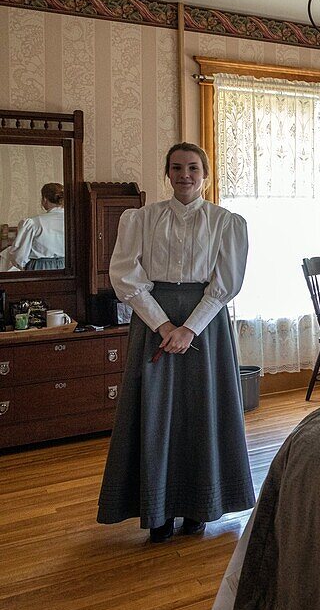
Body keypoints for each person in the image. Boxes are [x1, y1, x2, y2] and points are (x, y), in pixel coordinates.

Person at [97, 142, 253, 543]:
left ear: (205, 174)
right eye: (177, 167)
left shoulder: (225, 222)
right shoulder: (141, 219)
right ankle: (157, 511)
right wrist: (164, 325)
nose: (185, 175)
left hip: (206, 323)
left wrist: (189, 328)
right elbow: (125, 277)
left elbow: (225, 285)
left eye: (193, 168)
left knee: (204, 412)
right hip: (153, 320)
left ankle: (200, 507)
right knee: (155, 415)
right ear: (167, 173)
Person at [10, 182, 66, 270]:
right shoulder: (72, 220)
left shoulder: (33, 223)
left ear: (44, 199)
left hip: (40, 268)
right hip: (67, 267)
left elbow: (19, 256)